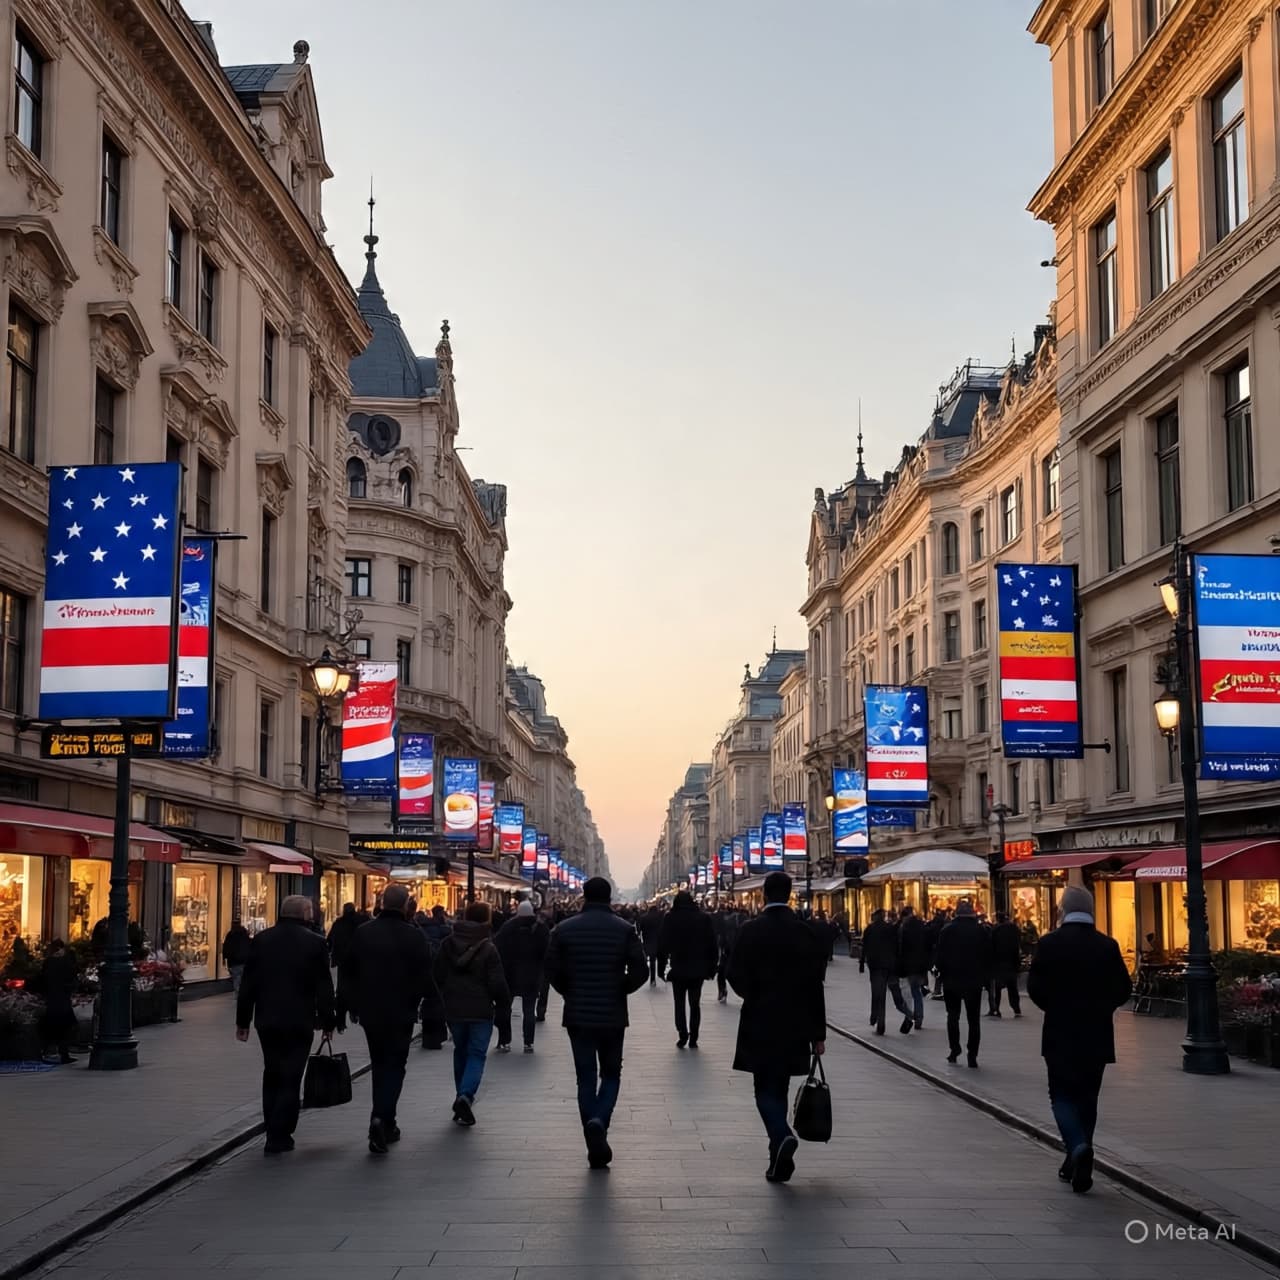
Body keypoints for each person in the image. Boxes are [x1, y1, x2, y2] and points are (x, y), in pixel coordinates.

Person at [1027, 885, 1133, 1193]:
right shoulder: (1107, 945)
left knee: (1061, 1095)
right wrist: (1102, 1007)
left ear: (1063, 910)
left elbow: (1035, 988)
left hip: (1060, 1031)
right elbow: (1123, 989)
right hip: (1096, 1033)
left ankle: (1076, 1146)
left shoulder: (1049, 943)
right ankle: (1078, 1157)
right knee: (1088, 1097)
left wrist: (1054, 1006)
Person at [728, 871, 826, 1185]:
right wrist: (818, 1033)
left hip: (760, 1017)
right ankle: (778, 1161)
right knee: (781, 1085)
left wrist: (751, 994)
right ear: (790, 894)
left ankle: (781, 1135)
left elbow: (733, 972)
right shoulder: (804, 932)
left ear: (764, 894)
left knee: (763, 1087)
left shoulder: (749, 930)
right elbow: (815, 984)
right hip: (796, 1021)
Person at [544, 877, 647, 1170]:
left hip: (578, 1013)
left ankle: (593, 1135)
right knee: (611, 1074)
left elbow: (551, 968)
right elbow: (641, 970)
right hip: (612, 1013)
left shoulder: (563, 929)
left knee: (585, 1077)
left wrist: (569, 990)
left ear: (584, 896)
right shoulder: (624, 929)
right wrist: (620, 988)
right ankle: (600, 1121)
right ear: (609, 896)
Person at [235, 895, 335, 1155]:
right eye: (311, 911)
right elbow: (324, 985)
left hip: (267, 1018)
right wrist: (328, 1020)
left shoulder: (262, 939)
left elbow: (248, 983)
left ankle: (272, 1127)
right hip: (300, 1018)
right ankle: (280, 1133)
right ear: (304, 914)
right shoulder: (315, 942)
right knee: (292, 1075)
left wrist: (243, 1020)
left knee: (272, 1072)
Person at [341, 883, 435, 1154]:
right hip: (401, 1010)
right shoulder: (414, 935)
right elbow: (425, 974)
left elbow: (348, 971)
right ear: (406, 905)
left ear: (382, 903)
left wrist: (346, 1006)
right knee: (395, 1065)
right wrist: (431, 1004)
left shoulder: (364, 932)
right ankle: (382, 1118)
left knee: (380, 1063)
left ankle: (384, 1119)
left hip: (371, 1011)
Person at [433, 901, 509, 1127]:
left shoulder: (448, 943)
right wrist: (503, 1005)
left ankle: (461, 1096)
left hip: (454, 1007)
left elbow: (437, 974)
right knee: (476, 1054)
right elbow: (497, 982)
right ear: (486, 919)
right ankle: (465, 1096)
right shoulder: (488, 947)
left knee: (461, 1050)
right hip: (481, 1009)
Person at [934, 899, 993, 1068]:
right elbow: (988, 955)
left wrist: (940, 972)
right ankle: (972, 1054)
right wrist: (985, 977)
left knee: (953, 1016)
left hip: (952, 980)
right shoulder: (980, 931)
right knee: (973, 1020)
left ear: (957, 913)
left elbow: (940, 955)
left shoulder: (947, 930)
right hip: (973, 981)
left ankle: (954, 1050)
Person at [656, 891, 719, 1049]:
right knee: (695, 1003)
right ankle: (694, 1036)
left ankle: (682, 1033)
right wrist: (712, 968)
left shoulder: (670, 917)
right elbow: (712, 944)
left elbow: (663, 944)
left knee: (679, 1003)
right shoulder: (703, 918)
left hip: (678, 967)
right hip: (698, 967)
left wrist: (661, 968)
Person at [495, 901, 550, 1053]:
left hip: (510, 974)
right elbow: (547, 951)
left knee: (505, 1009)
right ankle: (528, 1042)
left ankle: (504, 1041)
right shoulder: (541, 928)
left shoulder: (508, 927)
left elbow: (497, 946)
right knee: (529, 1010)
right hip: (532, 975)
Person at [859, 908, 906, 1035]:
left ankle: (878, 1020)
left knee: (878, 994)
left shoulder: (870, 929)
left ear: (875, 917)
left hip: (875, 966)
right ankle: (908, 1014)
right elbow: (897, 946)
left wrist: (862, 963)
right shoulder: (889, 928)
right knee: (891, 994)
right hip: (889, 966)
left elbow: (864, 946)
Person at [37, 939, 79, 1065]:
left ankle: (49, 1051)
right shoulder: (66, 962)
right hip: (62, 998)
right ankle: (63, 1053)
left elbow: (42, 979)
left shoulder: (48, 962)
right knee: (66, 1026)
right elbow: (72, 978)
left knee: (52, 1026)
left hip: (52, 998)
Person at [896, 905, 930, 1033]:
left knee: (908, 993)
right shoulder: (922, 926)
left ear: (905, 916)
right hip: (921, 965)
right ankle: (919, 1018)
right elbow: (927, 945)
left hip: (909, 965)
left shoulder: (904, 928)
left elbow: (901, 948)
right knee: (917, 992)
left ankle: (910, 1016)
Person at [988, 911, 1023, 1017]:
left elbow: (992, 947)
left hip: (999, 963)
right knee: (1013, 988)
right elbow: (1018, 945)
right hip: (1011, 962)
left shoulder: (996, 930)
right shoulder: (1014, 929)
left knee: (997, 988)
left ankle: (996, 1009)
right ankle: (1016, 1009)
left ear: (998, 919)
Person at [221, 919, 252, 994]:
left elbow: (226, 947)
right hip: (244, 960)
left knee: (236, 978)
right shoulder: (245, 934)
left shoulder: (230, 934)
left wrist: (224, 958)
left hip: (234, 961)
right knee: (242, 978)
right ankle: (242, 992)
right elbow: (249, 946)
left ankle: (238, 993)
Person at [639, 904, 663, 986]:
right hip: (656, 941)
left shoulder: (644, 917)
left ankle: (643, 975)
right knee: (653, 961)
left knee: (644, 959)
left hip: (646, 940)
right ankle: (652, 979)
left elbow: (640, 928)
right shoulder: (659, 917)